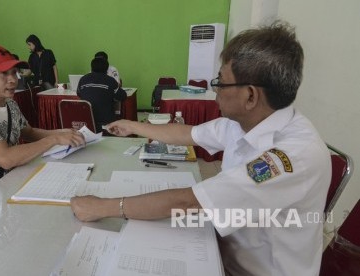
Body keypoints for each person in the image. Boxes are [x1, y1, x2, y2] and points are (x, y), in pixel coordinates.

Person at [71, 22, 331, 276]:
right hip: (222, 249)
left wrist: (102, 207)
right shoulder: (248, 121)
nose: (214, 88)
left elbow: (189, 201)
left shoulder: (291, 157)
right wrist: (132, 126)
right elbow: (187, 133)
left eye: (221, 81)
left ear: (250, 96)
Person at [0, 45, 85, 207]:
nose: (13, 79)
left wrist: (62, 133)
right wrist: (55, 139)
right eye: (3, 73)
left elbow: (29, 132)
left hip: (14, 180)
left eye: (14, 72)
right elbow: (6, 158)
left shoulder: (9, 104)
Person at [77, 57, 127, 133]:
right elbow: (122, 96)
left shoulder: (83, 79)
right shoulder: (110, 81)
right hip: (106, 122)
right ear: (107, 69)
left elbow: (79, 94)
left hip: (86, 121)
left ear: (91, 67)